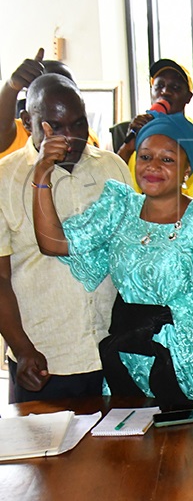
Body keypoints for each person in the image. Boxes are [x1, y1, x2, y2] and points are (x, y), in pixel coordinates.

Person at [32, 110, 193, 424]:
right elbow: (53, 242)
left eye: (167, 160)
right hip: (131, 358)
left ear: (188, 168)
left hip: (189, 361)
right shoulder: (120, 208)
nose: (153, 166)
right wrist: (42, 174)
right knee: (134, 459)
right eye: (146, 156)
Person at [0, 74, 130, 402]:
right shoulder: (5, 178)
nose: (70, 137)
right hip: (44, 360)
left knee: (122, 454)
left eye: (79, 124)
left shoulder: (112, 167)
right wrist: (23, 349)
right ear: (29, 122)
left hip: (114, 354)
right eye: (55, 126)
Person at [111, 59, 193, 198]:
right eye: (159, 86)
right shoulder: (124, 131)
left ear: (188, 97)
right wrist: (127, 147)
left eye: (175, 88)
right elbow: (108, 184)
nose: (165, 92)